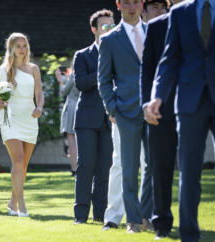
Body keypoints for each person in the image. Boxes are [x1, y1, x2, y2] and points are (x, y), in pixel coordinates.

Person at [148, 0, 215, 240]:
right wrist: (157, 96)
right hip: (188, 101)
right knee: (189, 171)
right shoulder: (179, 13)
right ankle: (188, 235)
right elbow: (169, 58)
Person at [98, 0, 151, 233]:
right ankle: (132, 220)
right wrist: (112, 109)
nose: (132, 7)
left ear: (142, 4)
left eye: (136, 1)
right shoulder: (109, 39)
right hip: (125, 112)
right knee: (128, 168)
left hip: (155, 110)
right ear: (119, 4)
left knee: (153, 166)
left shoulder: (156, 32)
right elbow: (104, 80)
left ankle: (148, 216)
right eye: (126, 2)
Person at [140, 0, 182, 240]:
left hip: (196, 103)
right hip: (160, 108)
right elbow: (147, 70)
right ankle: (162, 225)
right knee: (160, 168)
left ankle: (189, 221)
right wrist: (147, 103)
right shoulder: (156, 27)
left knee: (190, 167)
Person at [0, 32, 44, 217]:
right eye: (18, 46)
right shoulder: (2, 70)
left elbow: (39, 93)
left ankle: (12, 201)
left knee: (23, 165)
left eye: (24, 46)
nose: (22, 49)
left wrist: (39, 107)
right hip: (10, 117)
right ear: (11, 48)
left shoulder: (34, 69)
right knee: (18, 159)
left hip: (29, 117)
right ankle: (22, 204)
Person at [71, 10, 114, 225]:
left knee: (105, 169)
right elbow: (81, 83)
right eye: (104, 26)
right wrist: (104, 69)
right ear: (94, 29)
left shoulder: (119, 52)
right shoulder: (82, 55)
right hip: (87, 119)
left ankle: (100, 215)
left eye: (111, 25)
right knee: (86, 166)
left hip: (111, 119)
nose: (108, 29)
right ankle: (80, 215)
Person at [55, 64, 78, 176]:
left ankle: (74, 168)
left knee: (72, 142)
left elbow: (64, 91)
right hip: (84, 108)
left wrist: (60, 80)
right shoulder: (87, 74)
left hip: (72, 107)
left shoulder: (74, 75)